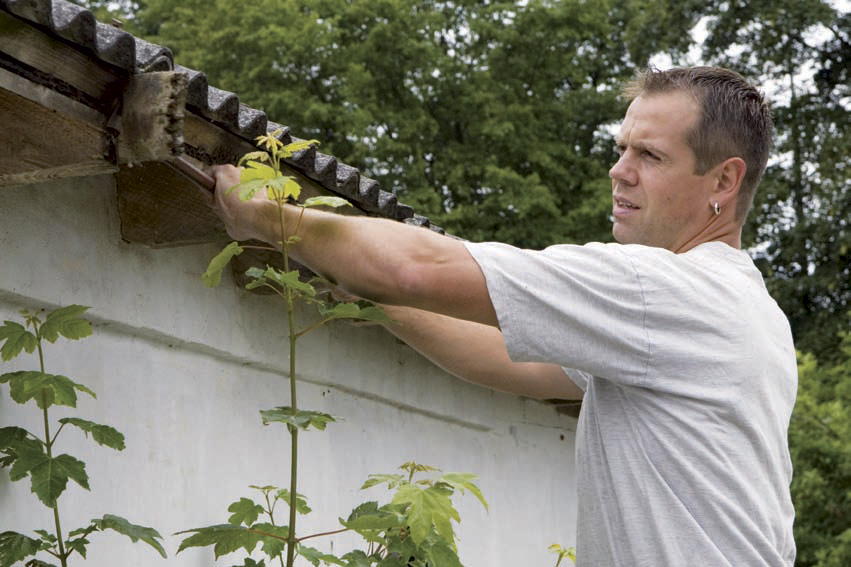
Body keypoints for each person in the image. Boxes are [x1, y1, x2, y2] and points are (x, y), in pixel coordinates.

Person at [209, 66, 797, 566]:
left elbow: (417, 266)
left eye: (650, 154)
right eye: (622, 148)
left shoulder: (665, 290)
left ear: (724, 178)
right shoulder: (745, 310)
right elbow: (505, 359)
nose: (620, 170)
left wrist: (272, 221)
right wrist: (368, 301)